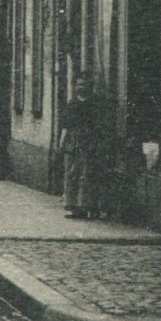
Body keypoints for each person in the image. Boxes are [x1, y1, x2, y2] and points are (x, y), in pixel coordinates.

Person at [60, 76, 95, 219]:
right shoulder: (72, 104)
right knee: (71, 173)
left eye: (84, 84)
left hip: (88, 141)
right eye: (79, 85)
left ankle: (84, 207)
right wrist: (62, 142)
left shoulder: (94, 104)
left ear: (89, 86)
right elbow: (65, 125)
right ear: (75, 87)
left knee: (85, 174)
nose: (81, 87)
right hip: (72, 142)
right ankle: (72, 207)